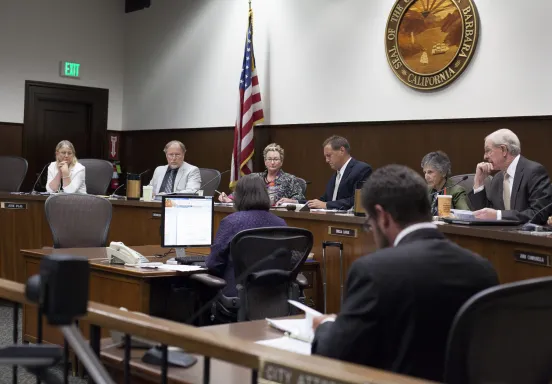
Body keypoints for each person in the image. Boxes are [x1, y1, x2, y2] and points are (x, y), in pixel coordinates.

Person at [311, 165, 498, 382]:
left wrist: (325, 326)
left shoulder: (373, 271)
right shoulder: (483, 269)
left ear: (383, 217)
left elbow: (336, 353)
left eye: (369, 223)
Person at [206, 175, 286, 297]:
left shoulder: (231, 222)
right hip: (275, 297)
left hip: (237, 295)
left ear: (239, 197)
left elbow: (213, 263)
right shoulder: (281, 223)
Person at [469, 129, 552, 223]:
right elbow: (484, 214)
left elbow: (539, 214)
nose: (485, 156)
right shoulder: (498, 178)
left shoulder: (534, 172)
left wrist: (499, 215)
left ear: (503, 150)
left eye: (488, 151)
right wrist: (478, 183)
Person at [219, 143, 305, 205]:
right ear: (265, 161)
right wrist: (227, 198)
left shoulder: (290, 179)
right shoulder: (255, 178)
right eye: (269, 159)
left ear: (281, 162)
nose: (272, 162)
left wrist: (291, 201)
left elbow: (302, 199)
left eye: (275, 159)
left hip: (279, 216)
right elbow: (239, 194)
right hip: (255, 214)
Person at [306, 135, 372, 210]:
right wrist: (296, 202)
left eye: (329, 155)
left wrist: (327, 205)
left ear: (342, 150)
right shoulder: (335, 175)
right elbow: (323, 200)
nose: (327, 160)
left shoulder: (362, 169)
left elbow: (357, 201)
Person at [421, 151, 470, 215]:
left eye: (430, 172)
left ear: (443, 172)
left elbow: (465, 215)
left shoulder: (456, 191)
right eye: (425, 172)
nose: (426, 177)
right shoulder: (427, 190)